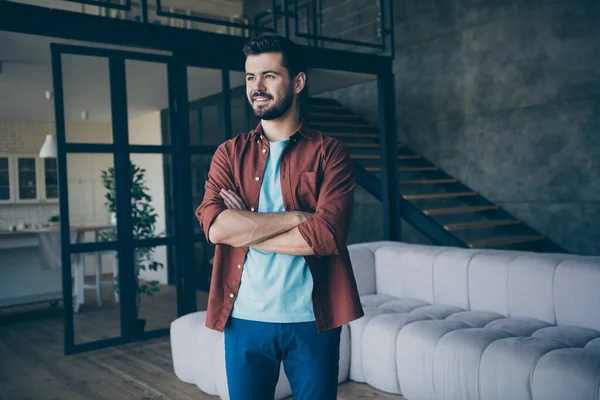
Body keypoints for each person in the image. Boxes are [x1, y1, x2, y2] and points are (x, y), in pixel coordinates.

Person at [195, 34, 364, 400]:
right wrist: (296, 218)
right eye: (250, 78)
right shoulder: (228, 154)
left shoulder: (330, 153)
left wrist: (246, 222)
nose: (257, 87)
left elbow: (327, 236)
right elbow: (216, 227)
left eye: (269, 76)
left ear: (298, 82)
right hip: (244, 318)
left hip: (312, 319)